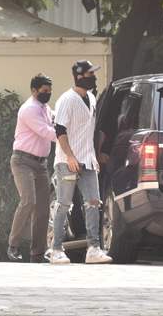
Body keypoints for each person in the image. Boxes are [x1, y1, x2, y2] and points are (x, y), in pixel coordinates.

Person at [51, 60, 113, 264]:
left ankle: (93, 248)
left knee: (93, 202)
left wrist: (96, 154)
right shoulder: (66, 100)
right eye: (90, 74)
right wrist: (69, 156)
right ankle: (57, 249)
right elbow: (60, 130)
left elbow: (91, 130)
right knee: (64, 205)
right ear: (79, 76)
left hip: (88, 160)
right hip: (67, 160)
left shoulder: (92, 99)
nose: (93, 77)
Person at [7, 73, 56, 263]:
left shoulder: (45, 107)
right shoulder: (29, 109)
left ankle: (37, 253)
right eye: (44, 91)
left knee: (43, 209)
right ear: (34, 90)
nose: (48, 94)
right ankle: (13, 245)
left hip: (41, 164)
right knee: (28, 201)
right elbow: (46, 131)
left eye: (49, 91)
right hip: (22, 161)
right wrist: (64, 134)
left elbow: (54, 120)